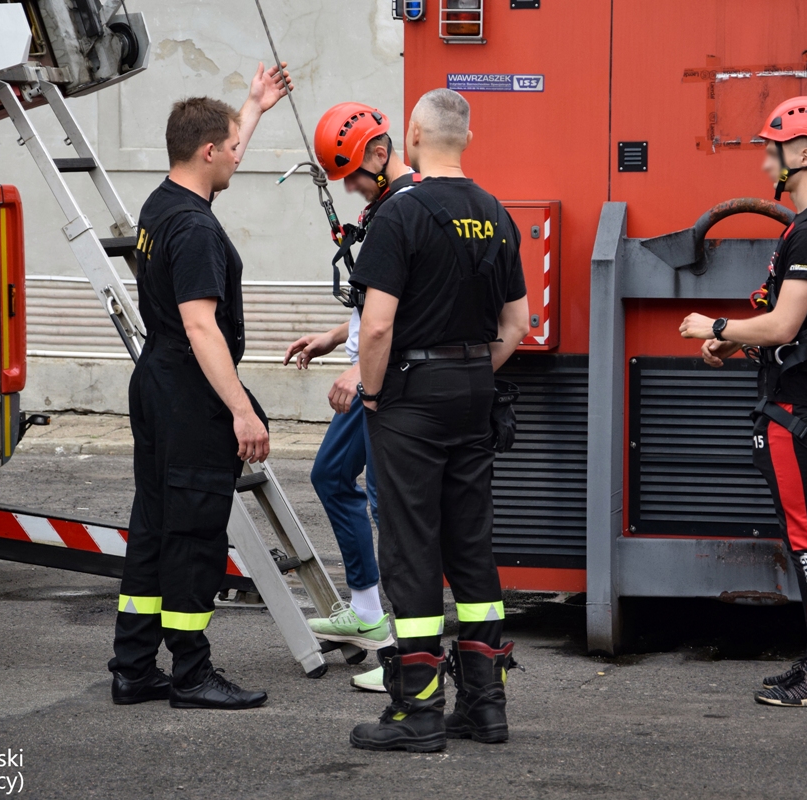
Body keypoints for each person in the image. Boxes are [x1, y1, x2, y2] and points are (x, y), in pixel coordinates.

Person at [347, 88, 530, 751]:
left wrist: (373, 396)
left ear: (416, 136)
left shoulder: (402, 215)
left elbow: (376, 327)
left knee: (411, 548)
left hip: (410, 395)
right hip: (474, 388)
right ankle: (486, 706)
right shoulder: (495, 213)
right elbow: (519, 325)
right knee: (471, 546)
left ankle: (417, 711)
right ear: (468, 137)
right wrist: (473, 370)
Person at [108, 63, 292, 710]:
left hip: (157, 381)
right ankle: (190, 673)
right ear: (208, 151)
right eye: (231, 150)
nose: (238, 161)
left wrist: (254, 103)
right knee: (192, 534)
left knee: (155, 525)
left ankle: (133, 666)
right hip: (189, 393)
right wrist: (241, 410)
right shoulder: (196, 230)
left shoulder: (165, 203)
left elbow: (223, 141)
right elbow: (200, 325)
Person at [679, 96, 807, 708]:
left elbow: (784, 326)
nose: (766, 163)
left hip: (798, 412)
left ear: (803, 153)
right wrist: (728, 346)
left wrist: (716, 327)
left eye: (774, 149)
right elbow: (799, 325)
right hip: (806, 401)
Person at [283, 102, 419, 692]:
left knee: (392, 508)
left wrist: (362, 376)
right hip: (380, 373)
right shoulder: (390, 206)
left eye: (354, 177)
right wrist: (335, 335)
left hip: (387, 382)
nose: (351, 190)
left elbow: (404, 314)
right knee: (334, 476)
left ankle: (399, 647)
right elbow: (378, 307)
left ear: (381, 155)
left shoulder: (400, 212)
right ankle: (368, 613)